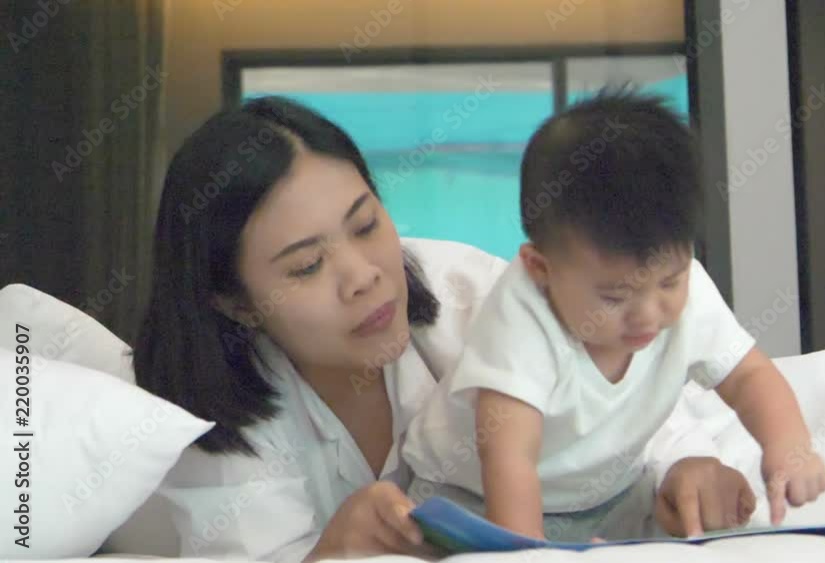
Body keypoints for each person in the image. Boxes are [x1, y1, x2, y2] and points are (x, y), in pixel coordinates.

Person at [132, 95, 758, 562]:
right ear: (236, 303)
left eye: (365, 224)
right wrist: (330, 551)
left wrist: (686, 465)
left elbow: (621, 376)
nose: (364, 276)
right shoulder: (210, 431)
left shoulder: (470, 292)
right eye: (308, 265)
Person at [402, 89, 825, 542]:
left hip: (609, 496)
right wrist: (530, 553)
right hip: (476, 498)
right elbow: (508, 456)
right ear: (541, 269)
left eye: (669, 282)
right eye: (614, 296)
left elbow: (749, 376)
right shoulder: (520, 315)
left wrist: (789, 446)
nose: (648, 315)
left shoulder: (692, 289)